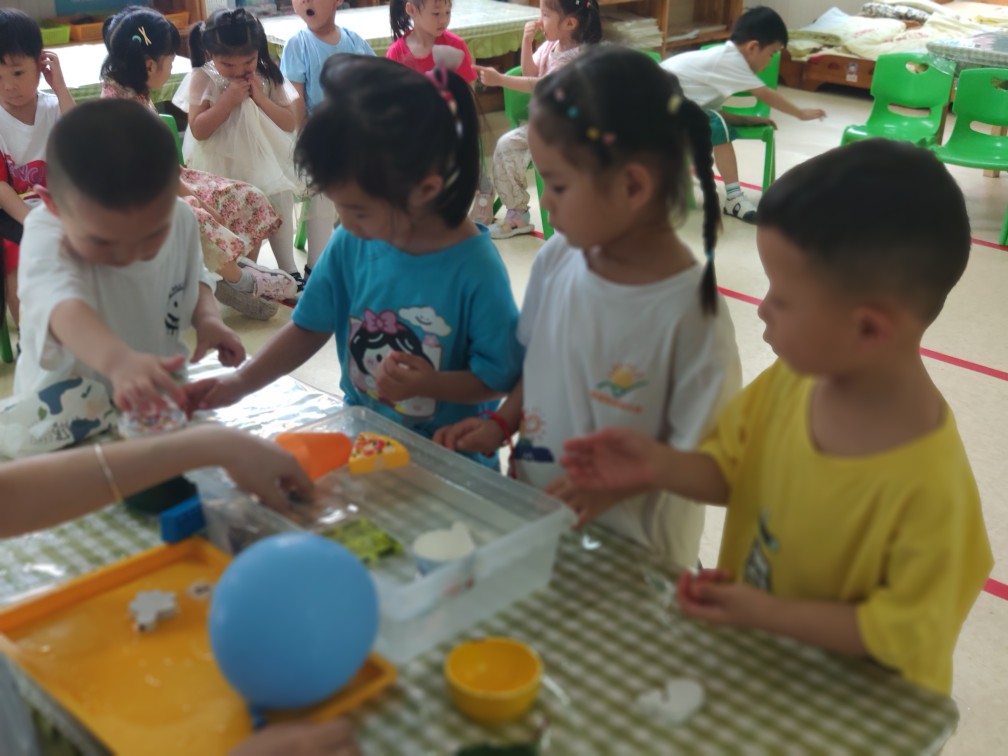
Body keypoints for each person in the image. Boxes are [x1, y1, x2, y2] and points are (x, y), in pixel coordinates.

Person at [560, 139, 993, 695]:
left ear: (867, 328)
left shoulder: (930, 491)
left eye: (783, 298)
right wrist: (656, 466)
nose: (762, 309)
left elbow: (902, 632)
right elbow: (732, 470)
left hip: (847, 710)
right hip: (760, 670)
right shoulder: (793, 381)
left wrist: (764, 612)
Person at [436, 47, 741, 567]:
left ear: (632, 186)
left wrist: (623, 484)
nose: (545, 201)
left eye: (556, 184)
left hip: (635, 562)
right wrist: (502, 423)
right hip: (538, 522)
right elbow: (539, 365)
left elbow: (721, 472)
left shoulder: (692, 317)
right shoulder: (558, 258)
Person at [187, 55, 524, 470]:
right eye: (340, 207)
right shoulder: (354, 241)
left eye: (358, 210)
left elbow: (500, 376)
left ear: (425, 189)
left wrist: (431, 384)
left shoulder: (475, 270)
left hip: (450, 462)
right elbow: (307, 327)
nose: (345, 224)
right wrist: (241, 382)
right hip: (366, 443)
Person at [13, 99, 245, 415]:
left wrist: (207, 319)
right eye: (104, 242)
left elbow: (194, 276)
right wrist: (118, 362)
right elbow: (62, 306)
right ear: (54, 205)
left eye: (151, 237)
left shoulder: (179, 218)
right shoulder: (46, 233)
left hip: (153, 398)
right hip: (63, 416)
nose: (129, 255)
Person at [100, 6, 296, 320]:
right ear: (150, 65)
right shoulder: (121, 107)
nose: (171, 69)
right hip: (142, 196)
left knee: (251, 198)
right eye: (169, 61)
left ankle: (235, 275)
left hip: (167, 179)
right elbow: (150, 175)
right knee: (195, 215)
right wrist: (198, 200)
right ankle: (242, 281)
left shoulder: (131, 89)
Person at [178, 8, 303, 297]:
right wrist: (227, 101)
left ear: (259, 50)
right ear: (209, 54)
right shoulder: (203, 78)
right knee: (241, 218)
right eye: (227, 64)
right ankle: (247, 276)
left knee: (280, 205)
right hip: (222, 167)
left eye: (248, 61)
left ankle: (289, 270)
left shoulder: (267, 73)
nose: (238, 71)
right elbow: (199, 129)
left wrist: (259, 98)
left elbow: (288, 122)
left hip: (267, 159)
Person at [662, 7, 825, 224]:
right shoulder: (732, 61)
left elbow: (709, 111)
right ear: (753, 47)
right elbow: (764, 93)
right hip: (655, 106)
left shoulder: (723, 61)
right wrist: (800, 113)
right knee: (717, 125)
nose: (770, 61)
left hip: (664, 105)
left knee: (716, 122)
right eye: (771, 54)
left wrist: (748, 120)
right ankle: (734, 198)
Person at [473, 0, 601, 237]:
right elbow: (529, 72)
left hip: (568, 135)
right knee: (505, 146)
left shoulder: (577, 58)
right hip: (544, 127)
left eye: (546, 14)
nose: (540, 20)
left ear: (570, 23)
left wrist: (500, 80)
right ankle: (517, 215)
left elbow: (541, 84)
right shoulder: (552, 44)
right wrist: (526, 42)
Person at [281, 0, 375, 291]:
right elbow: (295, 99)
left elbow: (372, 83)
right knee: (322, 200)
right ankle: (317, 267)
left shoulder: (354, 41)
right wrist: (305, 139)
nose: (305, 2)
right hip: (318, 140)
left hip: (355, 137)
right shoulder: (298, 44)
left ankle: (359, 260)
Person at [0, 9, 74, 330]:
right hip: (13, 212)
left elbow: (78, 140)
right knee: (18, 262)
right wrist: (32, 221)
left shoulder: (53, 108)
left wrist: (60, 88)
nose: (8, 86)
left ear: (40, 63)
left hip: (58, 206)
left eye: (17, 73)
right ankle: (31, 337)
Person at [387, 0, 476, 83]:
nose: (444, 20)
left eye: (447, 12)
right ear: (411, 10)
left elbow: (467, 90)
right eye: (436, 13)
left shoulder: (456, 45)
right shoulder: (396, 53)